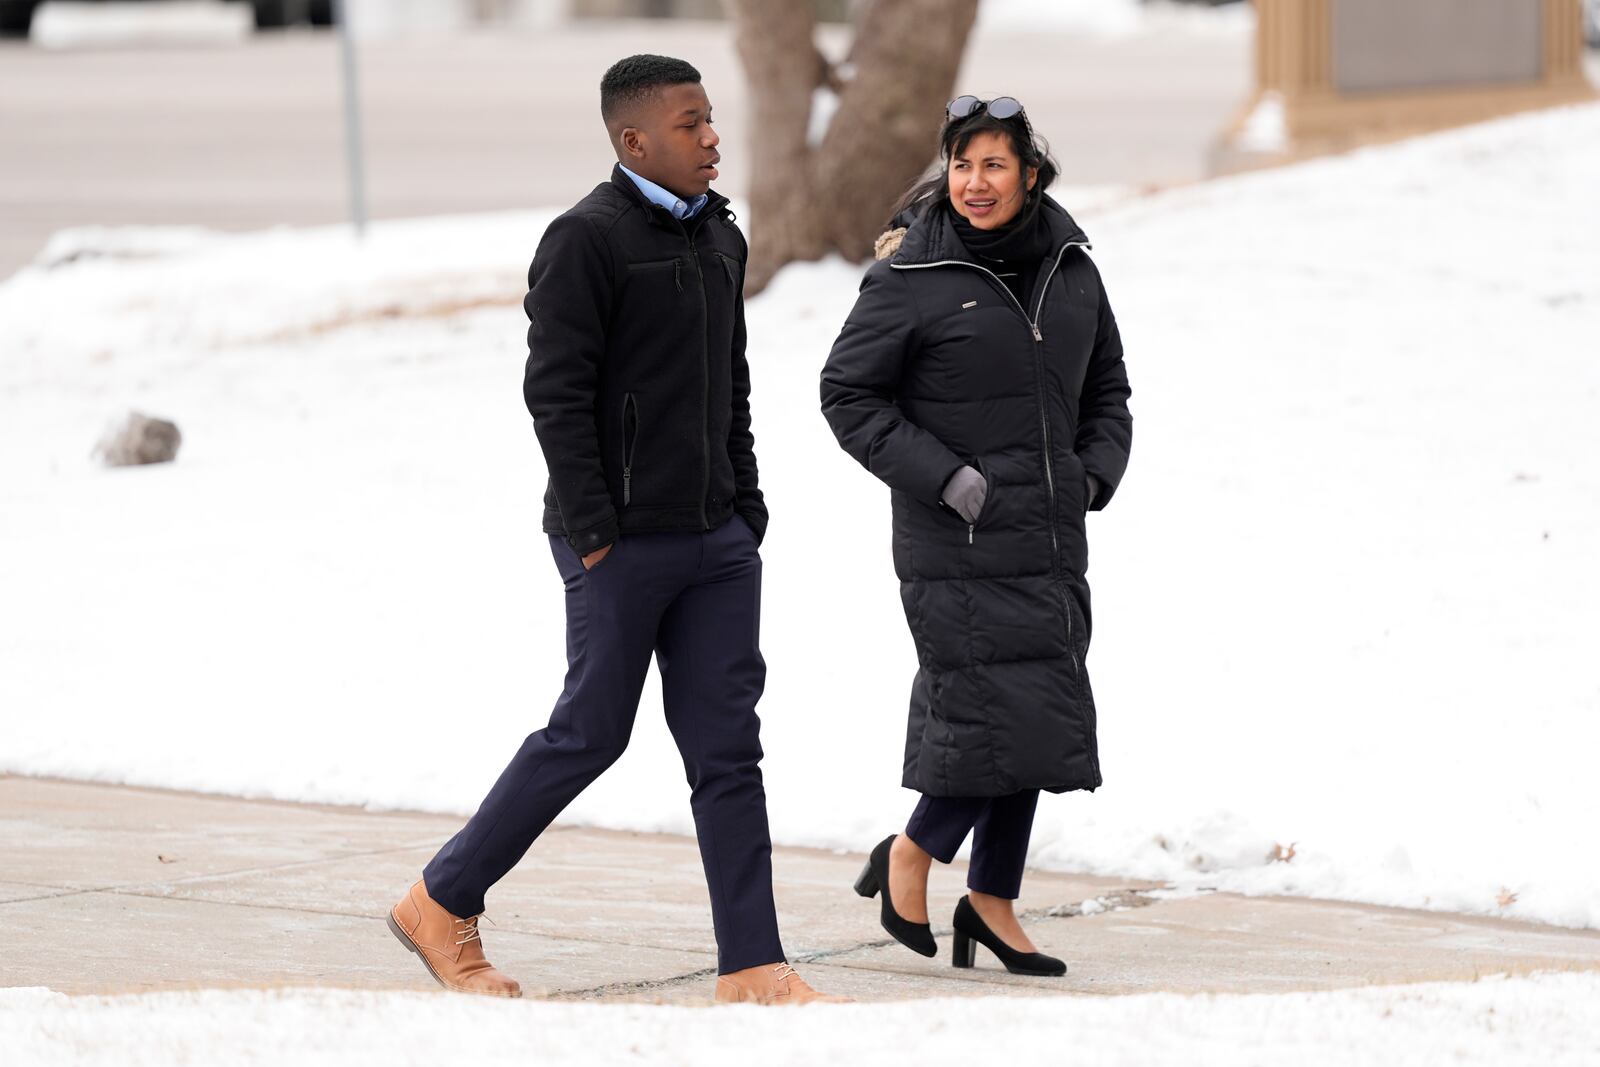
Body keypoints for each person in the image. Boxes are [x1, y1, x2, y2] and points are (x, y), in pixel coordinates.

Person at [388, 54, 842, 1007]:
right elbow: (553, 396)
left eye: (712, 119)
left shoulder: (721, 236)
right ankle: (441, 899)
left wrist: (745, 509)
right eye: (690, 124)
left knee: (728, 747)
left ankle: (752, 963)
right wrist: (596, 532)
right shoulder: (583, 241)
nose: (713, 137)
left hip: (716, 540)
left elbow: (734, 387)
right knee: (591, 731)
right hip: (618, 541)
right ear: (634, 140)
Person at [820, 94, 1133, 977]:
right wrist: (948, 479)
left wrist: (1093, 474)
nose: (975, 182)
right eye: (962, 165)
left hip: (1048, 531)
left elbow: (1108, 388)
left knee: (1031, 707)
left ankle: (991, 902)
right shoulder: (909, 278)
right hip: (953, 538)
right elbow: (848, 397)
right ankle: (913, 852)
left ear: (1031, 174)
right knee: (985, 709)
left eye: (995, 165)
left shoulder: (1072, 269)